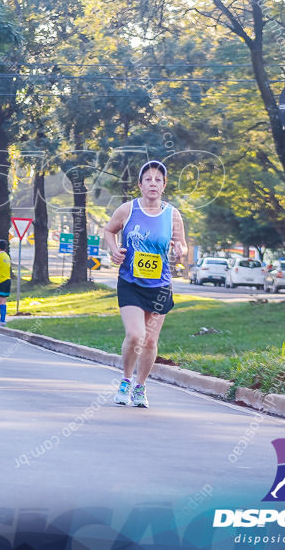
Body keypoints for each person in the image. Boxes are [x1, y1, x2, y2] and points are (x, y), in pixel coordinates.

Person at [103, 160, 187, 409]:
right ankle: (126, 380)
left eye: (158, 180)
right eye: (148, 179)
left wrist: (180, 250)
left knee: (150, 340)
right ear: (140, 185)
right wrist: (115, 250)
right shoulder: (128, 210)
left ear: (164, 186)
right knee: (136, 334)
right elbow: (109, 231)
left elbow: (182, 243)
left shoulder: (172, 214)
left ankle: (140, 386)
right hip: (130, 281)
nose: (153, 183)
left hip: (160, 285)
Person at [0, 238, 12, 326]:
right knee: (3, 301)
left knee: (0, 301)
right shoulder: (7, 256)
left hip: (0, 281)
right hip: (7, 280)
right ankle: (2, 319)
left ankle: (2, 320)